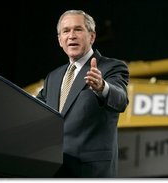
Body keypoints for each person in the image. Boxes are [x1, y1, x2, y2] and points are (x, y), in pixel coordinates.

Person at [36, 10, 129, 178]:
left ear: (92, 37)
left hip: (90, 172)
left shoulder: (111, 67)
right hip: (54, 170)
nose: (71, 35)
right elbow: (35, 108)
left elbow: (121, 100)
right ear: (60, 41)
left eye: (78, 29)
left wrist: (102, 87)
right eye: (66, 31)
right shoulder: (54, 77)